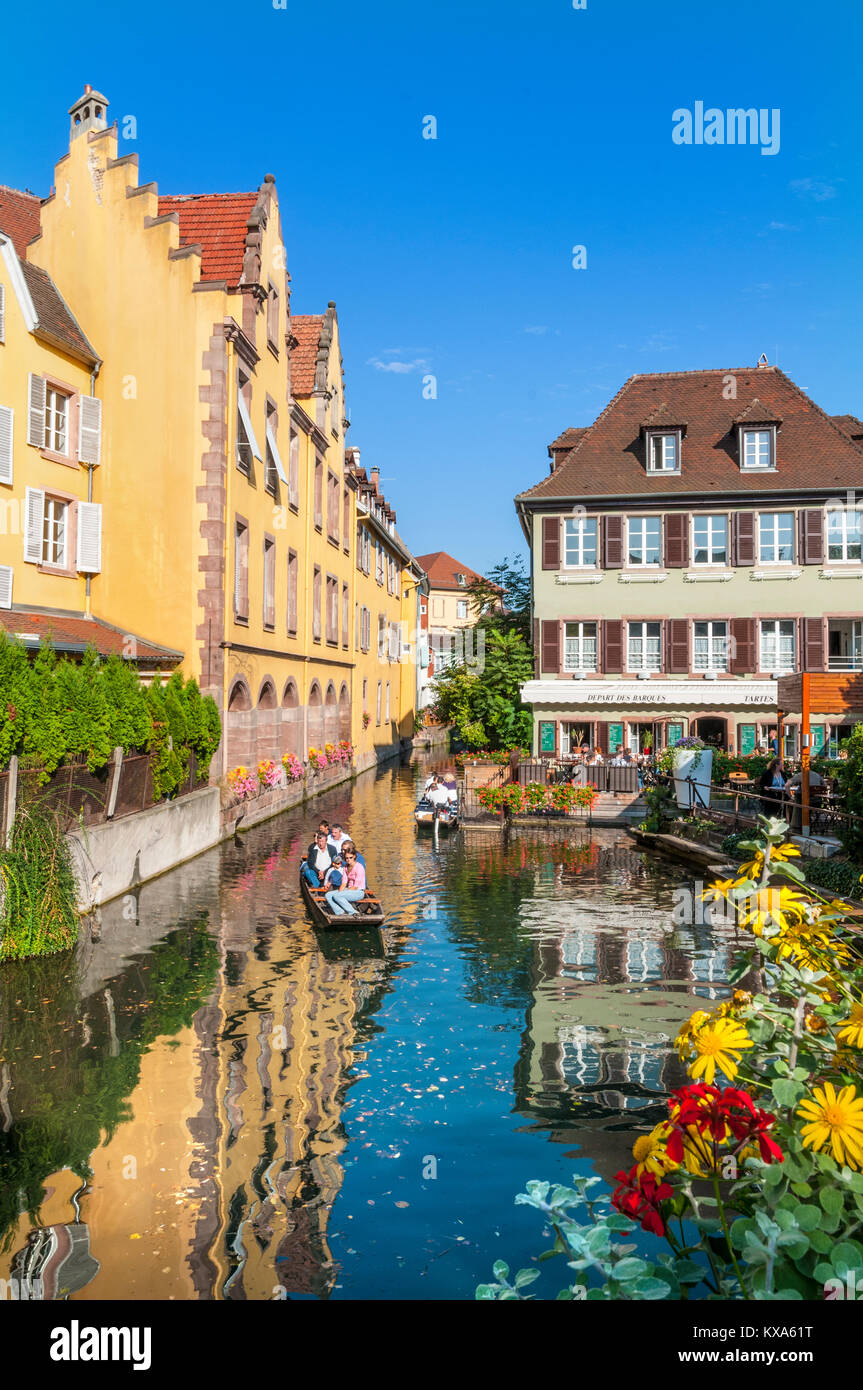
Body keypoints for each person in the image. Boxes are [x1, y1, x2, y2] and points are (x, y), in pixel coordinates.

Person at [325, 847, 367, 916]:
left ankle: (353, 912)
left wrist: (340, 894)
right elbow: (344, 883)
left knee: (337, 896)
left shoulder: (359, 867)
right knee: (328, 895)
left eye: (350, 857)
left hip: (358, 892)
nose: (348, 860)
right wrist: (340, 892)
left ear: (354, 857)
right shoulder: (345, 867)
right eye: (347, 858)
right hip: (349, 890)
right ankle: (340, 912)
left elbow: (355, 886)